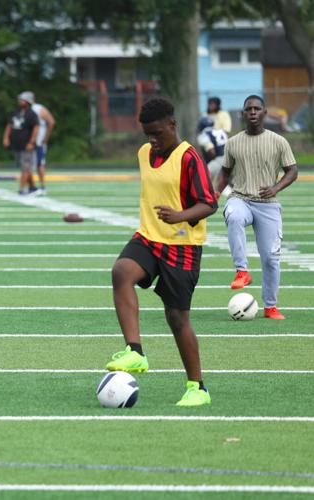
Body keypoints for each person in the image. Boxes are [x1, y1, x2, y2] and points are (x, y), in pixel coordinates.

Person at [105, 97, 217, 407]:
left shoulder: (189, 157)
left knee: (177, 318)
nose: (152, 141)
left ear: (172, 125)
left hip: (182, 245)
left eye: (157, 133)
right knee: (121, 272)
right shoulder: (144, 153)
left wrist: (180, 216)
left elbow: (209, 202)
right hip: (149, 238)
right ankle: (135, 352)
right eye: (147, 135)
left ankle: (197, 388)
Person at [216, 95, 298, 320]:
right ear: (243, 114)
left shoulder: (278, 141)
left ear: (264, 113)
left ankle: (270, 306)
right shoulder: (233, 143)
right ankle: (242, 271)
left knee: (271, 259)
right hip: (240, 198)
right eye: (248, 109)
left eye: (256, 108)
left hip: (268, 205)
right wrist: (215, 193)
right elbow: (224, 171)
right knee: (233, 215)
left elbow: (292, 170)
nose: (252, 112)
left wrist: (276, 187)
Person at [3, 92, 40, 196]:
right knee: (24, 167)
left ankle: (22, 189)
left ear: (28, 101)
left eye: (22, 100)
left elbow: (36, 129)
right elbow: (9, 125)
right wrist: (6, 137)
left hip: (26, 145)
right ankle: (32, 187)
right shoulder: (16, 112)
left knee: (25, 167)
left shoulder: (32, 114)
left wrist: (31, 142)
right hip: (17, 145)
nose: (20, 102)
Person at [22, 91, 56, 195]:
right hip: (27, 142)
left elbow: (51, 122)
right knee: (27, 165)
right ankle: (31, 187)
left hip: (38, 142)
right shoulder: (24, 111)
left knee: (39, 164)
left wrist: (45, 138)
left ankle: (43, 186)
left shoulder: (39, 109)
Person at [195, 116, 228, 190]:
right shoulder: (221, 131)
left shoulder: (204, 134)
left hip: (219, 159)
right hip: (230, 158)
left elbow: (212, 152)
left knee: (202, 176)